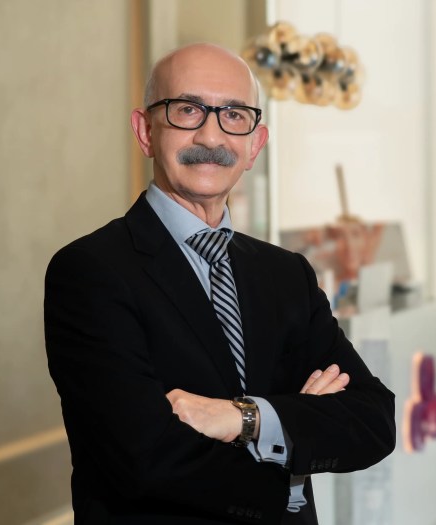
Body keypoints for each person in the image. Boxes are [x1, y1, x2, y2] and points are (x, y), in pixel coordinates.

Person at [44, 43, 395, 525]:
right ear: (145, 131)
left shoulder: (287, 274)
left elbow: (373, 419)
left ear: (255, 144)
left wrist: (243, 418)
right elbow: (145, 459)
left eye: (233, 115)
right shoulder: (90, 271)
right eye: (187, 109)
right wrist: (292, 433)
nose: (211, 135)